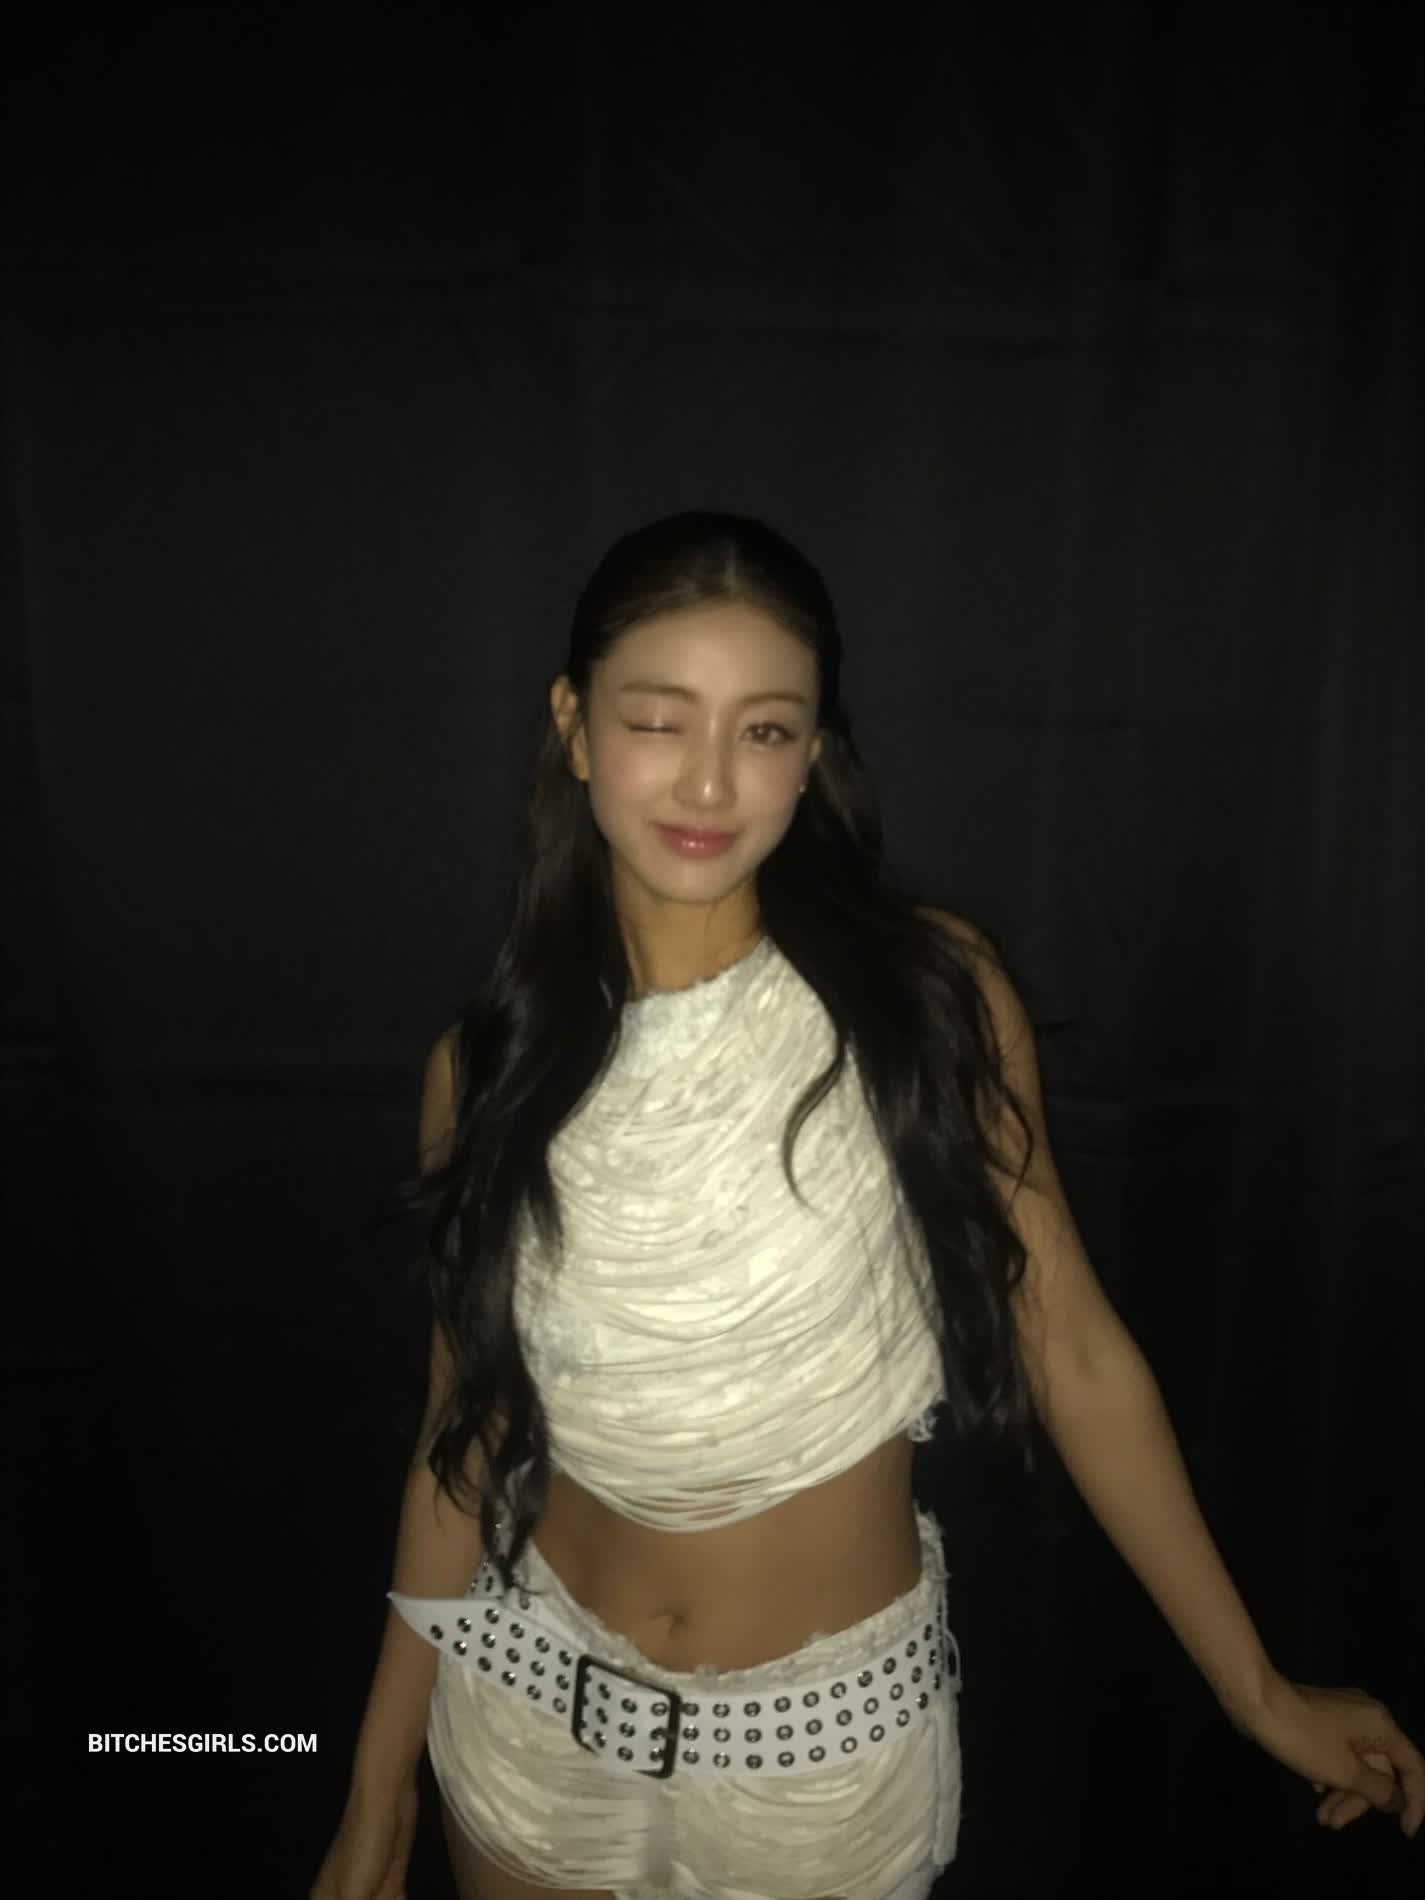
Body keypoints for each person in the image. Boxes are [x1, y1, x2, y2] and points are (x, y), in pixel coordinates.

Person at [311, 511, 1423, 1900]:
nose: (708, 779)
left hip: (817, 1762)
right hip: (528, 1715)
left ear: (813, 753)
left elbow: (1071, 1349)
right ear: (575, 728)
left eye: (765, 731)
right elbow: (462, 1437)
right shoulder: (485, 1070)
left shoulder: (920, 1001)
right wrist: (377, 1785)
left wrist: (1255, 1688)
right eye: (657, 720)